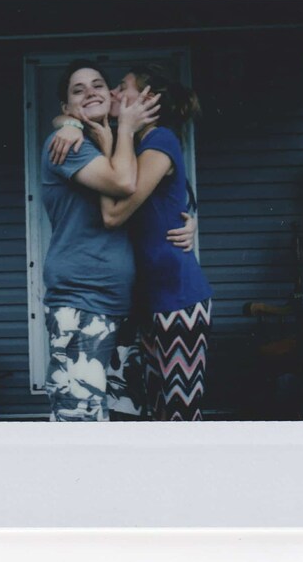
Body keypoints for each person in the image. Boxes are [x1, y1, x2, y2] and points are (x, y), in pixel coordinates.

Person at [50, 64, 213, 421]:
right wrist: (71, 124)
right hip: (146, 300)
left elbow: (114, 214)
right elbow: (66, 118)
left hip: (176, 297)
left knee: (179, 415)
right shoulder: (134, 144)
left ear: (148, 100)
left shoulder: (159, 140)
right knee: (150, 412)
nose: (110, 93)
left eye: (120, 87)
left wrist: (116, 136)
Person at [41, 59, 168, 422]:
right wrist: (69, 125)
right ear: (67, 106)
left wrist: (186, 220)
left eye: (98, 85)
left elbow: (154, 189)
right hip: (82, 299)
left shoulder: (109, 141)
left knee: (120, 417)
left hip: (120, 303)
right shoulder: (68, 144)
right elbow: (123, 183)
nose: (90, 92)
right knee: (78, 418)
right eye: (78, 90)